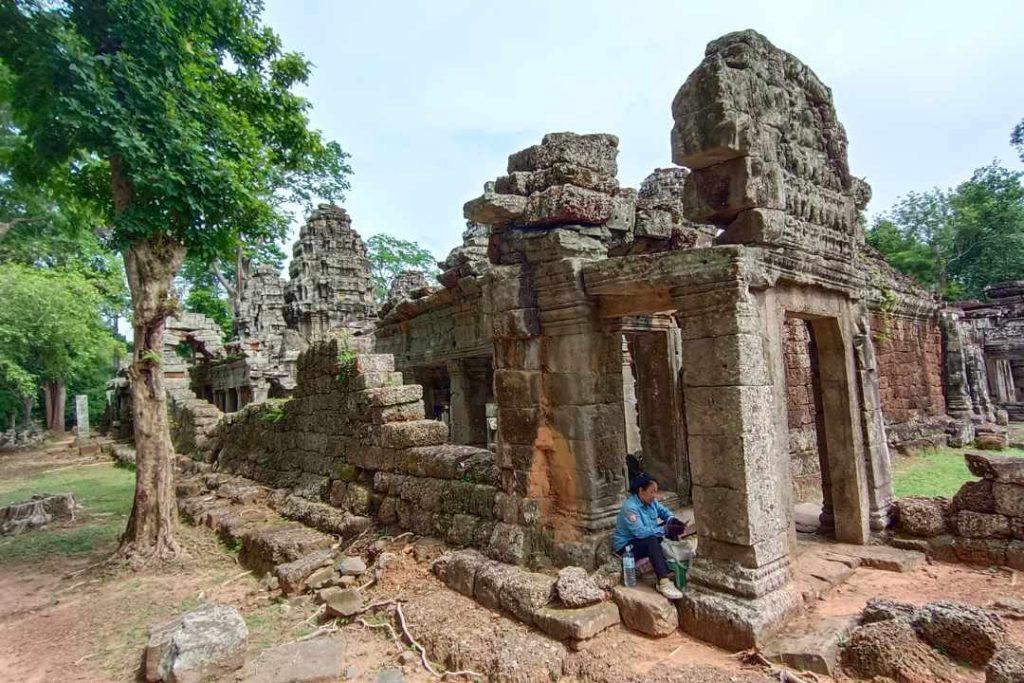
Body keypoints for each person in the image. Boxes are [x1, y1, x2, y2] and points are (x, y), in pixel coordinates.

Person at [612, 472, 684, 600]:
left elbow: (664, 512)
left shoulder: (652, 502)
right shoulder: (630, 508)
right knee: (653, 539)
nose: (654, 495)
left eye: (656, 491)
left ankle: (675, 567)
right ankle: (663, 582)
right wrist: (665, 529)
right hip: (627, 547)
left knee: (670, 530)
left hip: (643, 539)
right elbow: (641, 533)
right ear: (641, 491)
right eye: (652, 492)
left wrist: (672, 521)